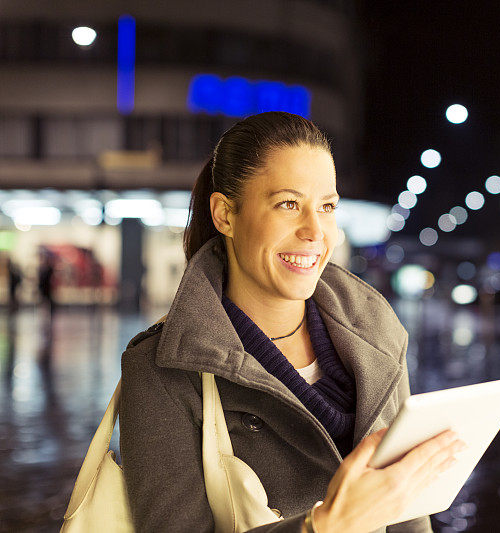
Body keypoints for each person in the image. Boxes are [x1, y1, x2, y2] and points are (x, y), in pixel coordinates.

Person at [118, 111, 465, 532]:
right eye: (288, 204)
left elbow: (409, 517)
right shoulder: (160, 369)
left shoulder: (377, 332)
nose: (315, 231)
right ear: (225, 214)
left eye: (327, 207)